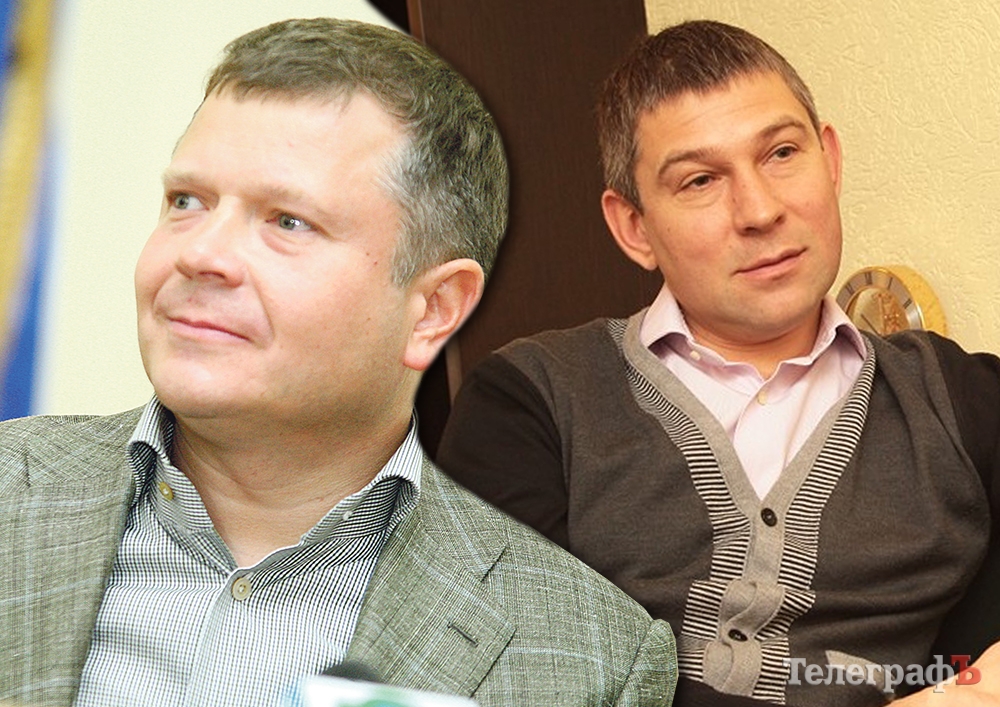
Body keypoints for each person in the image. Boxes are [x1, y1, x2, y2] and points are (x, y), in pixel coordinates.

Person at [0, 18, 677, 707]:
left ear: (433, 309)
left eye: (287, 220)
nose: (200, 253)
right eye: (186, 201)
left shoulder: (591, 660)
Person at [436, 19, 1000, 707]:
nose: (760, 210)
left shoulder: (962, 401)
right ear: (634, 226)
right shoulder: (531, 402)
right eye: (700, 180)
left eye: (782, 153)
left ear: (830, 161)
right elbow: (508, 678)